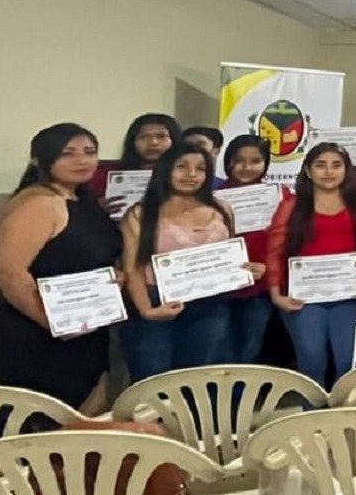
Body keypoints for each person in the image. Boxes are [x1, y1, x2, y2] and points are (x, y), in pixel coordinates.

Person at [0, 124, 123, 414]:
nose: (82, 160)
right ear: (39, 159)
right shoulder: (39, 203)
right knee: (30, 427)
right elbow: (8, 272)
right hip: (36, 335)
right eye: (67, 153)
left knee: (77, 426)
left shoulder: (84, 201)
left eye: (89, 152)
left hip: (86, 331)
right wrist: (53, 321)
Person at [120, 143, 244, 382]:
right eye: (182, 167)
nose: (191, 174)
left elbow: (229, 256)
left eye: (200, 168)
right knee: (153, 382)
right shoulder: (141, 214)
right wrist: (147, 310)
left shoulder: (222, 209)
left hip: (210, 306)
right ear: (165, 169)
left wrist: (245, 271)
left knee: (202, 380)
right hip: (158, 304)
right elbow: (132, 268)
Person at [266, 143, 356, 386]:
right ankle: (312, 410)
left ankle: (346, 409)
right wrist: (276, 295)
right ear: (308, 171)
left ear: (346, 170)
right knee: (312, 360)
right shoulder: (291, 204)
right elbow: (275, 250)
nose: (329, 172)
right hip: (303, 298)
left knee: (348, 361)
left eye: (336, 165)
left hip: (348, 295)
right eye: (321, 165)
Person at [217, 134, 278, 364]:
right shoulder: (211, 197)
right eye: (239, 161)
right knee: (218, 351)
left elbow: (287, 242)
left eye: (255, 161)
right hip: (219, 288)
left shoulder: (278, 196)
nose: (246, 167)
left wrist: (268, 268)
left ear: (266, 164)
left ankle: (243, 389)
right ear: (228, 162)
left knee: (249, 351)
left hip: (259, 287)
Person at [90, 113, 179, 213]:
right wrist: (96, 207)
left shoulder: (186, 175)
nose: (153, 142)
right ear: (133, 142)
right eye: (144, 137)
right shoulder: (105, 175)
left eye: (161, 136)